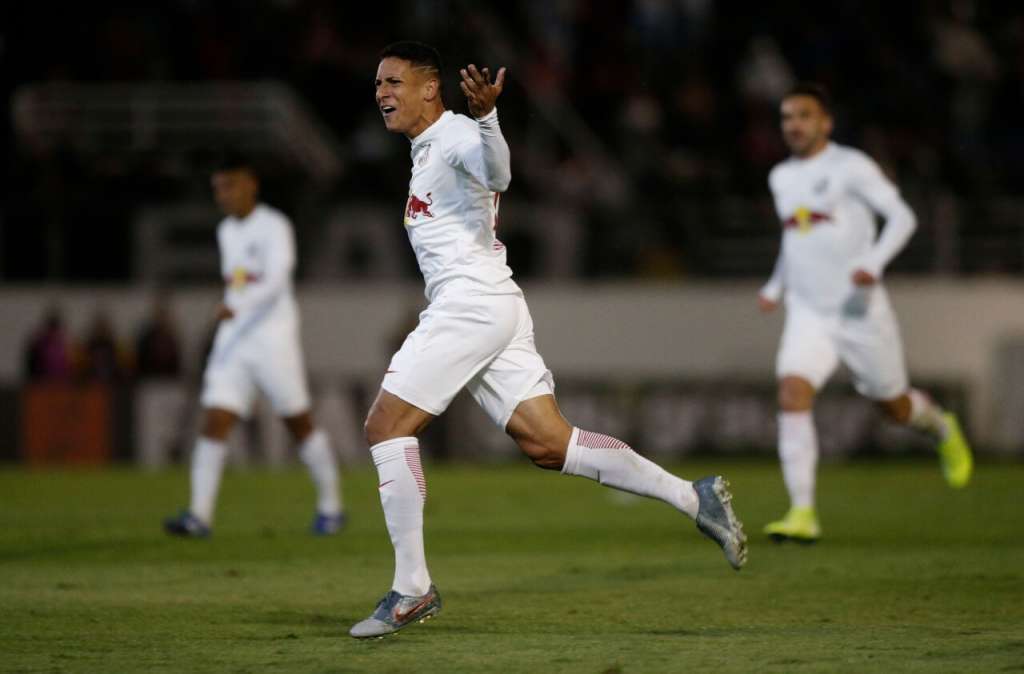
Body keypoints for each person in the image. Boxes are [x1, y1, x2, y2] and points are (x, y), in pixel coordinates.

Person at [348, 41, 747, 639]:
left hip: (471, 306)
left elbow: (500, 172)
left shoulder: (458, 134)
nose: (382, 92)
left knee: (385, 426)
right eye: (378, 82)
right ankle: (695, 498)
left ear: (431, 88)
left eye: (394, 81)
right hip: (493, 306)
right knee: (549, 444)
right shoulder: (427, 148)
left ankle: (412, 588)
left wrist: (489, 119)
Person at [758, 83, 973, 544]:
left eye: (803, 115)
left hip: (859, 313)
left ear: (825, 123)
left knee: (892, 407)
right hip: (808, 313)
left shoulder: (850, 167)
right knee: (792, 392)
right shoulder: (780, 177)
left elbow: (903, 217)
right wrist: (775, 286)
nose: (793, 124)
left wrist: (872, 263)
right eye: (786, 117)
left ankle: (940, 425)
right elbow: (794, 238)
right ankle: (802, 512)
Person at [163, 153, 344, 538]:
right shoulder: (227, 231)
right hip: (235, 342)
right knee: (214, 421)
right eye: (217, 189)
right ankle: (199, 515)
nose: (223, 195)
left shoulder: (274, 226)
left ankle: (331, 506)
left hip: (273, 340)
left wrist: (235, 305)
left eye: (229, 186)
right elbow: (241, 281)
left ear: (250, 184)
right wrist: (233, 311)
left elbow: (276, 281)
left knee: (298, 423)